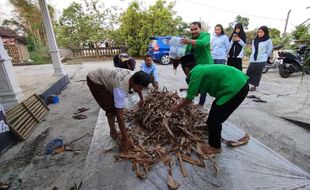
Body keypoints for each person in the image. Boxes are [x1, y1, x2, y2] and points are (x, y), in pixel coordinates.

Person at [171, 54, 249, 154]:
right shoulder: (200, 68)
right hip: (238, 82)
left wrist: (177, 107)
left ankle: (215, 147)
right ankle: (210, 127)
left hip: (236, 87)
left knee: (215, 120)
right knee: (215, 107)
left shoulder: (194, 73)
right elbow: (199, 89)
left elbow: (189, 99)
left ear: (186, 69)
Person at [87, 68, 150, 153]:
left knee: (114, 102)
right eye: (139, 87)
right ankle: (113, 132)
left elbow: (139, 86)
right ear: (133, 82)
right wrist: (126, 139)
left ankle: (114, 130)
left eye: (141, 88)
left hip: (104, 75)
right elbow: (120, 116)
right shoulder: (121, 89)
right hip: (95, 80)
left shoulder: (135, 75)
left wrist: (142, 99)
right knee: (111, 109)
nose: (140, 90)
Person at [180, 21, 214, 106]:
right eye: (191, 30)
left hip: (206, 64)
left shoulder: (206, 35)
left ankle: (201, 103)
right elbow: (187, 52)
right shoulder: (190, 39)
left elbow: (203, 43)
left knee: (204, 84)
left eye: (196, 29)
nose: (193, 31)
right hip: (196, 66)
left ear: (200, 28)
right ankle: (194, 94)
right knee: (189, 79)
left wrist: (190, 41)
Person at [246, 26, 273, 91]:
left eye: (261, 32)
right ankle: (245, 85)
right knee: (249, 72)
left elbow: (269, 51)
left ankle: (254, 86)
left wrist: (266, 56)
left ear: (265, 32)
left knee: (257, 74)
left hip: (262, 59)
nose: (259, 33)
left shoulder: (268, 41)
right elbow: (253, 50)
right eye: (258, 32)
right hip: (253, 59)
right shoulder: (254, 40)